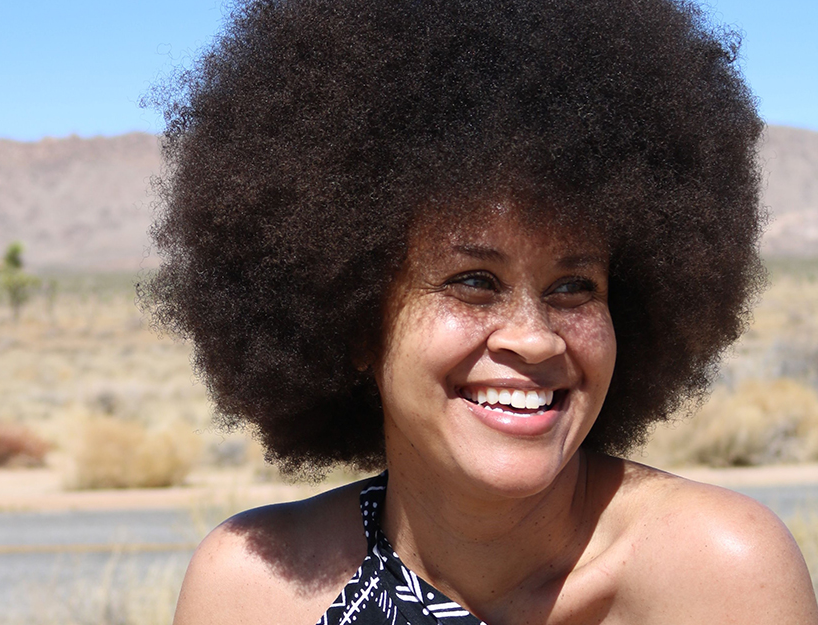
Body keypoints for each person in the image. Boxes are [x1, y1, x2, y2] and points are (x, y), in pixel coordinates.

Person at [141, 0, 818, 622]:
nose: (533, 337)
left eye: (574, 286)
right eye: (473, 281)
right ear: (355, 324)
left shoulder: (716, 574)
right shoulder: (254, 591)